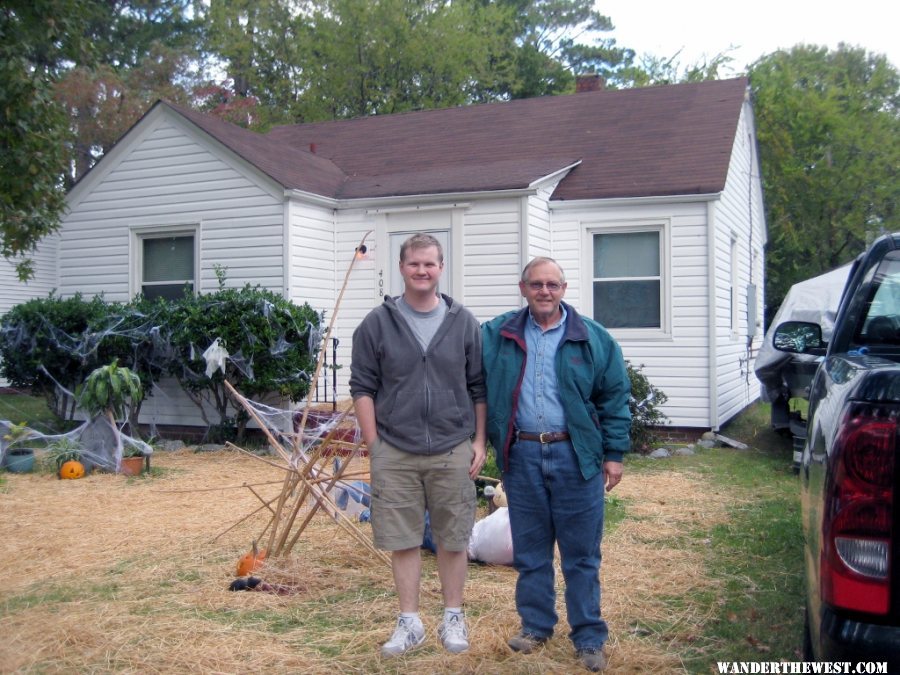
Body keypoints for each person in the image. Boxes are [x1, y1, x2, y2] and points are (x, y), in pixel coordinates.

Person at [481, 256, 631, 672]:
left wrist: (614, 455)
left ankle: (588, 637)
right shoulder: (497, 335)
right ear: (523, 287)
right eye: (536, 284)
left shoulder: (593, 339)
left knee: (581, 554)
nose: (544, 292)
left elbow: (614, 397)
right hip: (522, 454)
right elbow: (465, 376)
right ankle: (535, 626)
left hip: (576, 456)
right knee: (531, 552)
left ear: (563, 289)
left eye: (552, 285)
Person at [349, 233, 487, 657]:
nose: (422, 271)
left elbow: (478, 386)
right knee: (403, 538)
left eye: (430, 264)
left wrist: (479, 441)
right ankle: (409, 622)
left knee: (453, 537)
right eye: (414, 264)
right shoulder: (377, 323)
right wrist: (374, 445)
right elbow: (362, 387)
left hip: (451, 446)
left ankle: (452, 617)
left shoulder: (463, 322)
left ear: (441, 268)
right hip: (396, 448)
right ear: (402, 268)